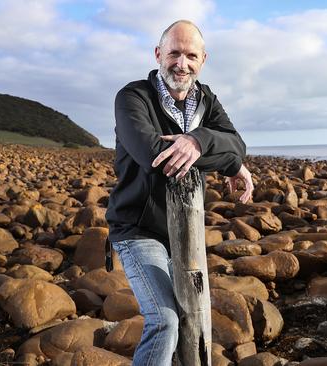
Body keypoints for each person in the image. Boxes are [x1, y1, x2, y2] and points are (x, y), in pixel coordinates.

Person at [105, 20, 254, 365]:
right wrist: (227, 162)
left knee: (195, 317)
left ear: (203, 59)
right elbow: (153, 155)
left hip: (185, 232)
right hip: (138, 230)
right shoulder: (132, 97)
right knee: (165, 319)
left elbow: (238, 144)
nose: (181, 64)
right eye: (174, 53)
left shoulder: (206, 99)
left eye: (190, 55)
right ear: (158, 54)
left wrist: (198, 141)